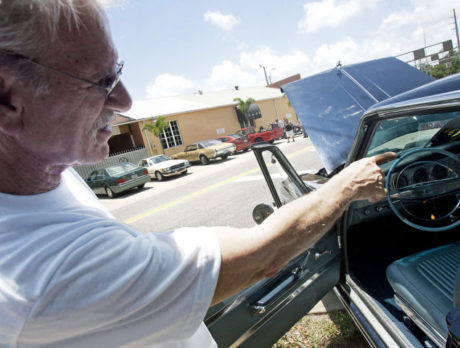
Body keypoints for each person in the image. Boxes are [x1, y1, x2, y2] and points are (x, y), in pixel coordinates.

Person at [0, 1, 396, 347]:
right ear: (8, 99)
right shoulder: (40, 273)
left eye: (117, 72)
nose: (124, 100)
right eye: (102, 82)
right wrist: (345, 186)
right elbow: (260, 256)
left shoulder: (42, 166)